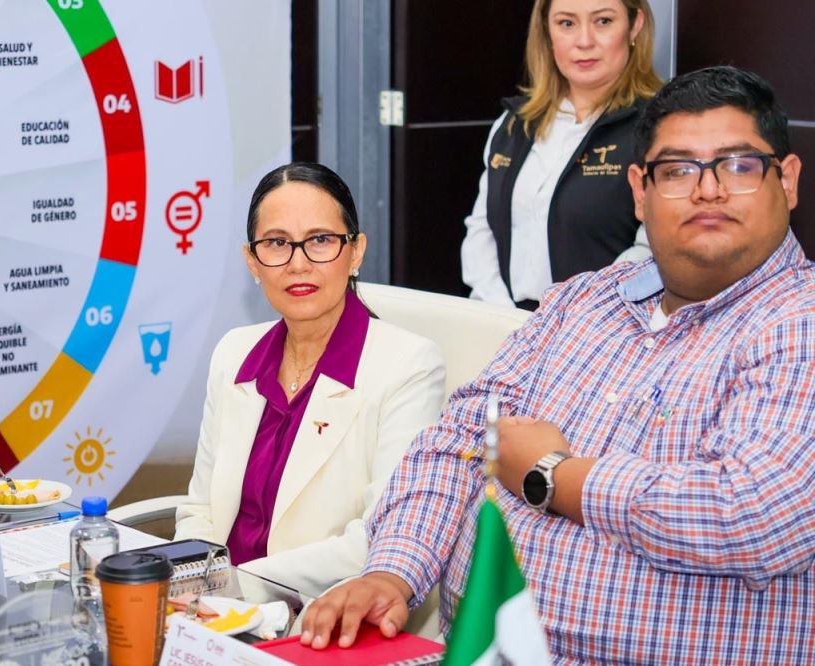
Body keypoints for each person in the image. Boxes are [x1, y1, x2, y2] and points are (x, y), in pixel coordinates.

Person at [302, 66, 814, 664]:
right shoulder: (584, 300)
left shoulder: (796, 322)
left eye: (738, 166)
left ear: (788, 180)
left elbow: (755, 515)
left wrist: (553, 476)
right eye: (677, 170)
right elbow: (457, 441)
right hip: (477, 648)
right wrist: (393, 573)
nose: (708, 190)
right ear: (639, 192)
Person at [175, 163, 446, 599]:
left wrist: (235, 588)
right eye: (277, 243)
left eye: (320, 240)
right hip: (213, 611)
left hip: (318, 614)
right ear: (252, 261)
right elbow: (200, 511)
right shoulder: (234, 353)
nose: (298, 264)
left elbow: (381, 536)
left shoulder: (408, 365)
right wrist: (194, 590)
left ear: (355, 252)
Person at [460, 0, 663, 310]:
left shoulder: (661, 125)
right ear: (547, 31)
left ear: (634, 25)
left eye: (603, 21)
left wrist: (574, 318)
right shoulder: (514, 122)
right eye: (567, 23)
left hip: (605, 325)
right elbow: (482, 229)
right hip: (509, 322)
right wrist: (502, 315)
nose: (584, 41)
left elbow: (654, 247)